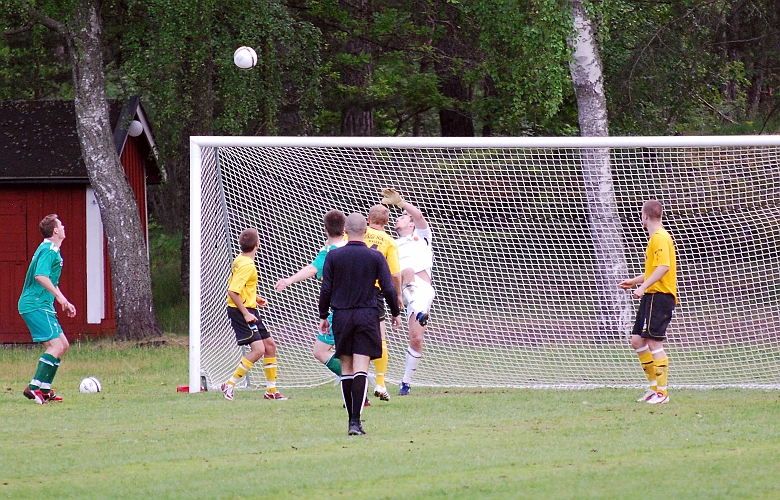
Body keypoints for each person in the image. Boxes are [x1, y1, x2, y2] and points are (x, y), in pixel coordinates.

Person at [319, 213, 401, 435]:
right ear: (366, 231)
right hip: (367, 315)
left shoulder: (334, 257)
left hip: (342, 316)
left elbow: (326, 288)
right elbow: (388, 287)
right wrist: (395, 312)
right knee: (362, 367)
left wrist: (323, 315)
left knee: (346, 368)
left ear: (345, 230)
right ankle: (356, 421)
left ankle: (350, 421)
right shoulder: (375, 257)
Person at [619, 200, 677, 405]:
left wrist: (642, 288)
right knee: (637, 340)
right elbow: (654, 270)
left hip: (660, 295)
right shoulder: (655, 239)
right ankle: (653, 388)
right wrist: (635, 282)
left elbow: (663, 268)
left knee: (653, 341)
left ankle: (662, 392)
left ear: (645, 216)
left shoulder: (660, 237)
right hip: (651, 295)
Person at [221, 228, 286, 401]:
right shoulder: (247, 265)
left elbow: (240, 286)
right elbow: (233, 292)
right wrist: (246, 313)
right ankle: (230, 384)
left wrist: (254, 298)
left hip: (249, 308)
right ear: (257, 244)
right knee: (258, 350)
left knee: (270, 346)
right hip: (240, 311)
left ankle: (271, 390)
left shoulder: (240, 259)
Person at [381, 188, 435, 396]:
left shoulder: (422, 237)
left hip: (422, 291)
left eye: (403, 217)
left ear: (411, 224)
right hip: (400, 289)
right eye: (399, 216)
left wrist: (401, 203)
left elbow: (419, 215)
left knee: (416, 338)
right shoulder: (389, 243)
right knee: (408, 271)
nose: (400, 219)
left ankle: (405, 382)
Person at [19, 214, 77, 404]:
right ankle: (33, 388)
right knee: (56, 346)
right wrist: (59, 299)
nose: (63, 227)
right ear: (55, 231)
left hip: (42, 304)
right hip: (35, 304)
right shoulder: (50, 250)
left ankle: (44, 389)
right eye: (61, 225)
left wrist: (64, 301)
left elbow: (49, 280)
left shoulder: (49, 249)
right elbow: (40, 277)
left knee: (63, 345)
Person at [363, 204, 403, 401]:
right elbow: (395, 274)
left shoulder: (357, 233)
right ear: (386, 222)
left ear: (368, 219)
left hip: (352, 291)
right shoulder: (389, 241)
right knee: (380, 337)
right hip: (375, 292)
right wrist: (398, 296)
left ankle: (358, 385)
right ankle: (380, 382)